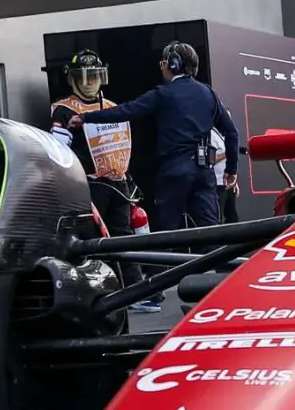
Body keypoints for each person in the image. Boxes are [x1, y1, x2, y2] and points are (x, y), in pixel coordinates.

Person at [69, 41, 238, 233]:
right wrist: (231, 169)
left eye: (163, 62)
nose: (162, 67)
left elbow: (126, 111)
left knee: (166, 234)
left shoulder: (163, 94)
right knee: (210, 232)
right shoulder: (209, 93)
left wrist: (86, 117)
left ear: (173, 65)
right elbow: (232, 133)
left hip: (174, 172)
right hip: (203, 172)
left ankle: (172, 264)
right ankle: (214, 263)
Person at [46, 50, 154, 312]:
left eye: (94, 76)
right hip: (88, 186)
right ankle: (97, 295)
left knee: (125, 238)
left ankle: (135, 293)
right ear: (71, 80)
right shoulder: (64, 109)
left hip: (119, 183)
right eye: (82, 77)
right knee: (90, 242)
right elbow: (58, 151)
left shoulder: (113, 106)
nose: (89, 82)